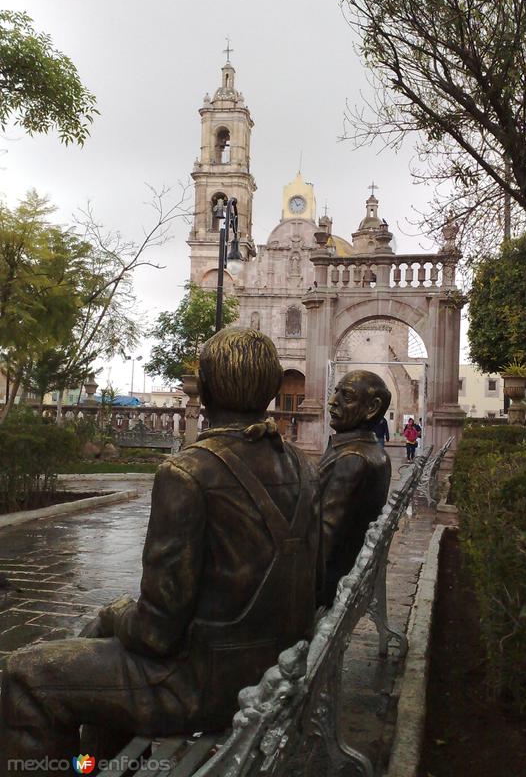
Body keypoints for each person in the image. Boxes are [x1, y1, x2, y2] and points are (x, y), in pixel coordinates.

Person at [0, 329, 321, 773]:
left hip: (203, 685)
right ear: (269, 390)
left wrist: (116, 614)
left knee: (25, 675)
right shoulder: (303, 467)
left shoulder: (188, 471)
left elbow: (157, 633)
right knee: (95, 646)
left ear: (204, 389)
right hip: (274, 668)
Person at [319, 370, 391, 606]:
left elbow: (323, 538)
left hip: (326, 584)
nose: (333, 401)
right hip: (345, 572)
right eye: (335, 392)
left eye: (346, 396)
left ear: (372, 407)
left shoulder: (353, 459)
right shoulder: (373, 451)